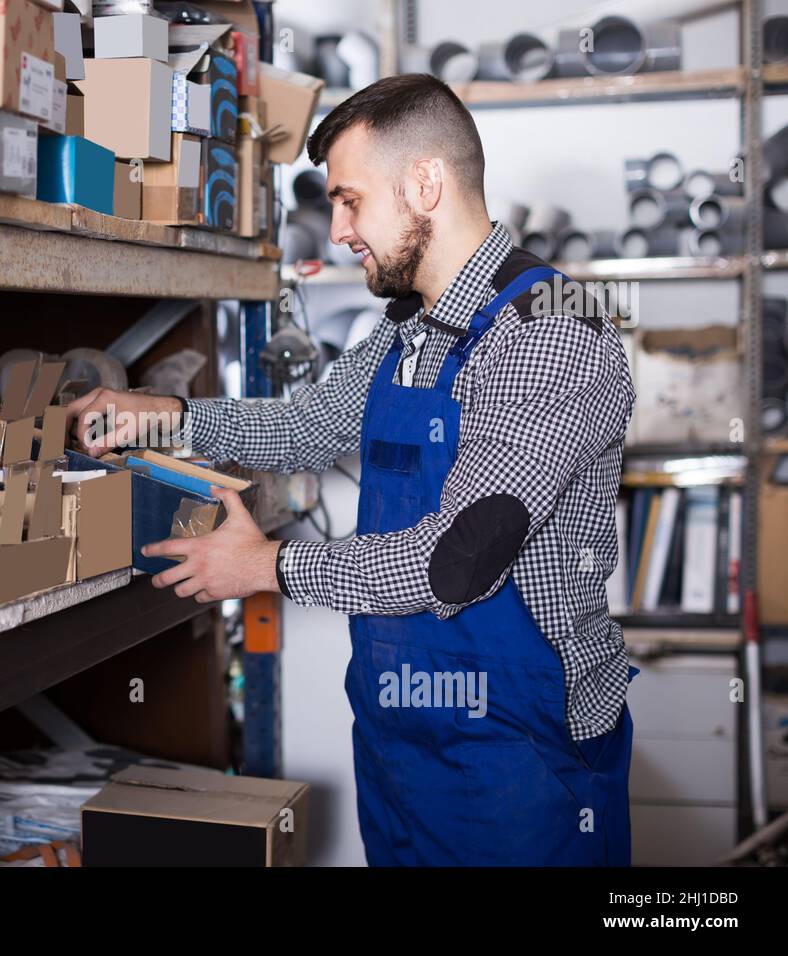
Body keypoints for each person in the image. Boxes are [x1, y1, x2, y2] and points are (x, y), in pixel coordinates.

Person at [65, 73, 637, 866]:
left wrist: (265, 565)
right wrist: (163, 416)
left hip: (522, 756)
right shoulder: (413, 330)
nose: (337, 230)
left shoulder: (551, 332)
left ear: (425, 183)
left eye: (349, 199)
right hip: (401, 738)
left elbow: (455, 561)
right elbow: (306, 428)